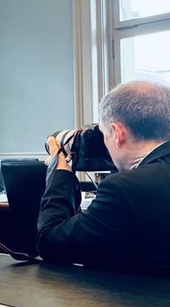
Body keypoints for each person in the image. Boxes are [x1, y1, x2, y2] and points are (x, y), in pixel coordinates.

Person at [37, 79, 170, 274]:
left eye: (104, 134)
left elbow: (50, 243)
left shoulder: (124, 189)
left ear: (117, 133)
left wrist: (60, 175)